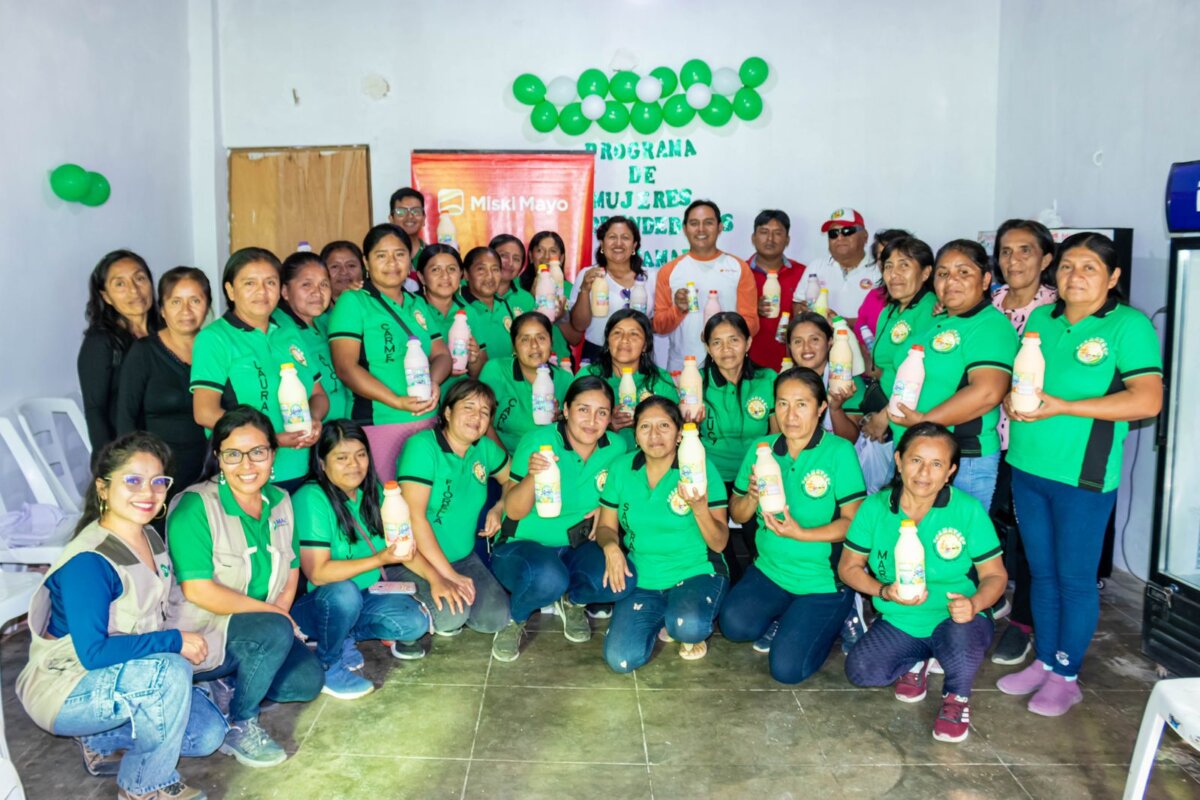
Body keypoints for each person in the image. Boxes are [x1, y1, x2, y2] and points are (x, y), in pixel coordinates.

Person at [997, 233, 1162, 716]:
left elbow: (1147, 399)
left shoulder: (1126, 326)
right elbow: (1024, 381)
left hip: (1083, 477)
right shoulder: (1043, 320)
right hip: (1028, 466)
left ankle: (1067, 674)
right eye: (1068, 266)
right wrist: (1013, 398)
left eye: (1090, 267)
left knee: (1073, 578)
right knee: (1040, 574)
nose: (1076, 276)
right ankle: (1045, 661)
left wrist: (1067, 407)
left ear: (1112, 277)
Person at [17, 432, 224, 800]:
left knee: (206, 735)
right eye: (133, 481)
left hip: (124, 674)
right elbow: (93, 653)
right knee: (171, 671)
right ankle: (145, 784)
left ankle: (100, 737)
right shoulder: (89, 562)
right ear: (103, 488)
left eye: (158, 482)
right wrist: (175, 643)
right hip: (68, 687)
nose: (148, 493)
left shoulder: (149, 537)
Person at [166, 406, 324, 768]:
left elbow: (292, 569)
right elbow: (198, 591)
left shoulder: (281, 500)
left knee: (306, 681)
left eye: (258, 452)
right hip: (203, 632)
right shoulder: (196, 507)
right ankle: (241, 721)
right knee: (272, 631)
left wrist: (280, 614)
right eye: (233, 454)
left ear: (273, 455)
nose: (247, 464)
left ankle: (228, 681)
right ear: (218, 458)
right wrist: (277, 617)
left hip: (260, 629)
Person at [840, 422, 1007, 743]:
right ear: (899, 461)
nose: (924, 473)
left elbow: (996, 576)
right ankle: (918, 658)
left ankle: (957, 698)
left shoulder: (967, 510)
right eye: (916, 460)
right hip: (903, 618)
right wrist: (882, 590)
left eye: (936, 464)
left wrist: (974, 604)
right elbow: (849, 567)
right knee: (862, 671)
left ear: (950, 472)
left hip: (958, 617)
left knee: (958, 642)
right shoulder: (875, 508)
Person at [721, 368, 866, 682]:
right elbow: (739, 513)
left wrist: (802, 534)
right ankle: (788, 616)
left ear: (821, 406)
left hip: (822, 581)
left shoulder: (839, 452)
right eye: (783, 403)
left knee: (787, 670)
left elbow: (852, 524)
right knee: (733, 626)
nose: (790, 414)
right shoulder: (763, 449)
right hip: (771, 570)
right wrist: (751, 496)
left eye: (801, 404)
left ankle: (838, 615)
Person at [490, 377, 631, 661]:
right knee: (549, 577)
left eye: (602, 412)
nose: (592, 420)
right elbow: (514, 511)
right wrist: (532, 475)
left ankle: (573, 601)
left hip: (577, 545)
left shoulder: (616, 448)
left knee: (621, 581)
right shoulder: (538, 441)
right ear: (565, 409)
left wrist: (605, 510)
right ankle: (515, 618)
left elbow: (620, 494)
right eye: (583, 409)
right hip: (522, 544)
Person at [291, 420, 435, 694]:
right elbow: (318, 574)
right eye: (341, 458)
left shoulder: (375, 492)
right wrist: (379, 559)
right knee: (344, 594)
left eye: (360, 455)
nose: (354, 465)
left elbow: (400, 549)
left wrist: (437, 578)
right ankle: (327, 665)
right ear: (322, 463)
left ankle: (342, 634)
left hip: (367, 593)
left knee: (414, 623)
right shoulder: (311, 498)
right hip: (319, 603)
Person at [886, 240, 1018, 511]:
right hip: (917, 451)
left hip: (960, 460)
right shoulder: (940, 320)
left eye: (964, 272)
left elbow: (987, 392)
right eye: (943, 274)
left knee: (950, 546)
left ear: (985, 280)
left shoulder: (990, 325)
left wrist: (924, 421)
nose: (952, 280)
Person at [598, 397, 729, 670]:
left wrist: (700, 509)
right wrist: (611, 548)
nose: (654, 435)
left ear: (680, 433)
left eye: (664, 426)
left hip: (695, 569)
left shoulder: (700, 469)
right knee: (620, 660)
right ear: (635, 434)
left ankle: (679, 620)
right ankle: (666, 615)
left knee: (688, 627)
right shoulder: (622, 468)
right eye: (645, 426)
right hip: (644, 575)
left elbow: (720, 542)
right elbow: (606, 527)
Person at [191, 247, 327, 494]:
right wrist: (271, 439)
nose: (262, 292)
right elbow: (204, 412)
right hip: (246, 475)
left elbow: (318, 394)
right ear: (231, 290)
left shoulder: (288, 331)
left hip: (300, 469)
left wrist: (315, 419)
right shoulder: (214, 339)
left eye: (270, 282)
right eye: (249, 283)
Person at [329, 224, 451, 481]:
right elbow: (346, 368)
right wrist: (396, 401)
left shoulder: (418, 303)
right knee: (388, 506)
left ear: (410, 259)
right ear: (366, 261)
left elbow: (441, 354)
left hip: (427, 422)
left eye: (399, 254)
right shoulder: (354, 301)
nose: (392, 262)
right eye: (381, 255)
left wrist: (435, 382)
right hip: (379, 423)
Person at [988, 220, 1058, 666]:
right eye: (1006, 251)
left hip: (1034, 441)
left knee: (1034, 539)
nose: (1014, 261)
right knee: (991, 519)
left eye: (1025, 251)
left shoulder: (1056, 311)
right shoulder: (988, 303)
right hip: (986, 437)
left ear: (1046, 259)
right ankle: (993, 595)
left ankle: (1025, 625)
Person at [395, 380, 513, 637]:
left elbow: (513, 479)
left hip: (462, 557)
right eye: (468, 407)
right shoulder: (423, 447)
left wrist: (500, 505)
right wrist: (449, 576)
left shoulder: (483, 448)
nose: (476, 417)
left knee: (495, 618)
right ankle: (396, 612)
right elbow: (414, 517)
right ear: (447, 412)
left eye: (484, 412)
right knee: (451, 617)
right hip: (415, 558)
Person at [117, 267, 212, 523]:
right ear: (162, 308)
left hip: (210, 468)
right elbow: (125, 417)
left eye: (195, 301)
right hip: (159, 473)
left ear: (208, 305)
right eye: (176, 302)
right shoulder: (144, 352)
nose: (186, 310)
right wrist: (138, 473)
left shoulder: (215, 348)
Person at [695, 312, 776, 582]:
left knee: (764, 537)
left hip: (756, 473)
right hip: (712, 475)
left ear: (748, 343)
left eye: (734, 340)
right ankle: (731, 584)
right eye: (716, 342)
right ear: (707, 346)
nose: (726, 349)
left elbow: (777, 436)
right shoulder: (695, 382)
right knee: (718, 543)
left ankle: (766, 579)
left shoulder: (768, 379)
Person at [653, 200, 759, 371]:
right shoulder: (669, 271)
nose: (701, 229)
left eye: (708, 223)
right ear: (685, 228)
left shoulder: (738, 267)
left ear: (720, 227)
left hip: (729, 364)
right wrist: (678, 309)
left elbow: (752, 323)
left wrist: (724, 336)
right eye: (694, 223)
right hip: (683, 365)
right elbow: (659, 326)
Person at [859, 237, 938, 458]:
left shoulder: (930, 310)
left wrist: (884, 417)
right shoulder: (891, 310)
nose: (894, 274)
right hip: (887, 408)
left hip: (906, 416)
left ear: (925, 273)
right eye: (888, 267)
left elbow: (922, 375)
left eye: (904, 265)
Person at [79, 250, 162, 454]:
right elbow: (95, 410)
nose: (134, 290)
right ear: (106, 296)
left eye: (140, 278)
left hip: (168, 442)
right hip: (129, 450)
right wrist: (112, 463)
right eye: (120, 284)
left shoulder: (166, 333)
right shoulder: (101, 342)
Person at [572, 309, 678, 449]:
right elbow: (572, 425)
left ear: (645, 345)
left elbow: (674, 426)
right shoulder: (589, 375)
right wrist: (609, 425)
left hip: (649, 459)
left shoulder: (660, 379)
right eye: (617, 333)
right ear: (608, 341)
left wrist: (646, 421)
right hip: (600, 458)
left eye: (634, 334)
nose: (624, 339)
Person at [480, 312, 574, 454]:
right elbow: (482, 423)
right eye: (525, 339)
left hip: (551, 460)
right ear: (514, 347)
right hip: (503, 459)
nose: (534, 345)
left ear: (551, 342)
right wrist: (506, 463)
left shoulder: (565, 380)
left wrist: (561, 417)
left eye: (541, 338)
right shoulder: (495, 371)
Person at [274, 251, 353, 420]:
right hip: (309, 432)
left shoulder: (328, 321)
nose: (317, 292)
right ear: (285, 291)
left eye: (324, 284)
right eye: (307, 285)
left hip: (343, 431)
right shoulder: (279, 328)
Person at [570, 216, 656, 361]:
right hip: (598, 355)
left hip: (638, 356)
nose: (618, 243)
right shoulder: (588, 275)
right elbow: (579, 325)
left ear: (634, 245)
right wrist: (584, 289)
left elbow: (654, 322)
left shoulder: (651, 277)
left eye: (625, 238)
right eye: (612, 237)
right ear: (602, 244)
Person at [785, 312, 866, 443]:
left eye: (814, 339)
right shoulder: (786, 382)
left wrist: (835, 409)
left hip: (837, 461)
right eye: (798, 341)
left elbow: (849, 440)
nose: (806, 348)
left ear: (829, 342)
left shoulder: (847, 380)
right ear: (790, 346)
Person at [414, 244, 487, 388]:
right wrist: (442, 367)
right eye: (435, 270)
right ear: (422, 277)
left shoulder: (469, 312)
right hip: (421, 393)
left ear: (461, 275)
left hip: (459, 396)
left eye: (452, 269)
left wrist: (473, 359)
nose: (445, 276)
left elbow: (479, 373)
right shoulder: (412, 309)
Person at [746, 210, 807, 370]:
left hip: (794, 363)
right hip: (748, 363)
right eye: (764, 232)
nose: (770, 239)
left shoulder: (804, 273)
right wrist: (750, 309)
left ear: (787, 239)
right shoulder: (739, 272)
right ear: (753, 238)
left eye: (777, 233)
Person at [800, 208, 875, 327]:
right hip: (823, 344)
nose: (840, 237)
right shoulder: (816, 267)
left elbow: (884, 318)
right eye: (833, 233)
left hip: (866, 343)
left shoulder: (880, 270)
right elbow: (798, 305)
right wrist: (802, 311)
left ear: (865, 236)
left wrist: (840, 322)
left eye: (847, 231)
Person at [856, 228, 912, 369]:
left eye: (897, 257)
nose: (889, 262)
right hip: (870, 378)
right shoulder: (874, 296)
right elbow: (860, 329)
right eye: (883, 256)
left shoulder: (930, 301)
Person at [459, 245, 522, 362]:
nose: (490, 276)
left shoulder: (504, 305)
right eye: (481, 269)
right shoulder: (459, 308)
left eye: (495, 269)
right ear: (466, 274)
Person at [520, 230, 582, 349]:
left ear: (561, 258)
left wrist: (560, 317)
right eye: (539, 250)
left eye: (553, 251)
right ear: (531, 256)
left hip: (559, 360)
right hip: (524, 359)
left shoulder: (569, 289)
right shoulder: (517, 287)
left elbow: (575, 340)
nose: (546, 257)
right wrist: (532, 300)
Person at [389, 187, 428, 268]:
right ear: (391, 219)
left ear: (424, 219)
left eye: (416, 211)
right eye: (401, 211)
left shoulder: (432, 256)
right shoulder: (384, 255)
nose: (410, 216)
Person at [489, 234, 528, 304]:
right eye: (503, 256)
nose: (510, 263)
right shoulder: (470, 291)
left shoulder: (527, 300)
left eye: (516, 259)